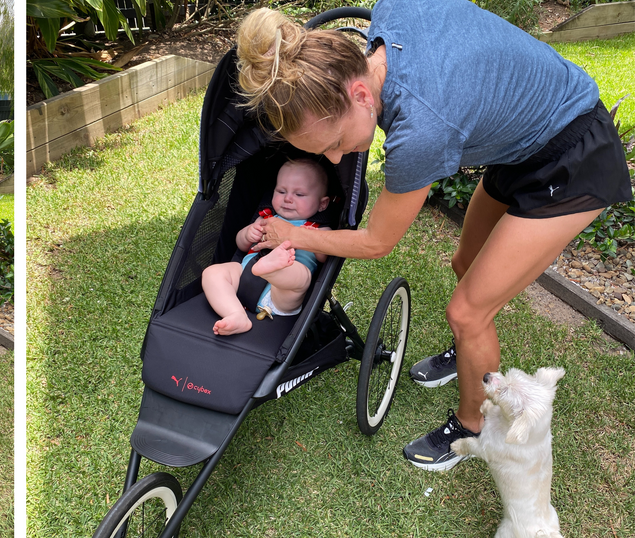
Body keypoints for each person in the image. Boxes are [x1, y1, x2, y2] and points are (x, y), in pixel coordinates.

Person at [234, 0, 631, 471]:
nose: (337, 159)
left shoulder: (421, 128)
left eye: (337, 143)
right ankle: (469, 354)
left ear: (361, 93)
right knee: (466, 265)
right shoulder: (390, 13)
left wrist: (295, 236)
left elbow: (377, 242)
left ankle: (473, 427)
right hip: (521, 146)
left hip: (573, 158)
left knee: (467, 312)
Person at [202, 159, 330, 335]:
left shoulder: (318, 229)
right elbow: (240, 245)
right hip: (245, 276)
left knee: (301, 277)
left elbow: (325, 257)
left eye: (299, 194)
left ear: (322, 204)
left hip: (281, 294)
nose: (287, 198)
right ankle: (236, 314)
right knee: (212, 273)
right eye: (281, 191)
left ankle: (273, 269)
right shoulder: (265, 218)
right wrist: (247, 234)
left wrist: (309, 239)